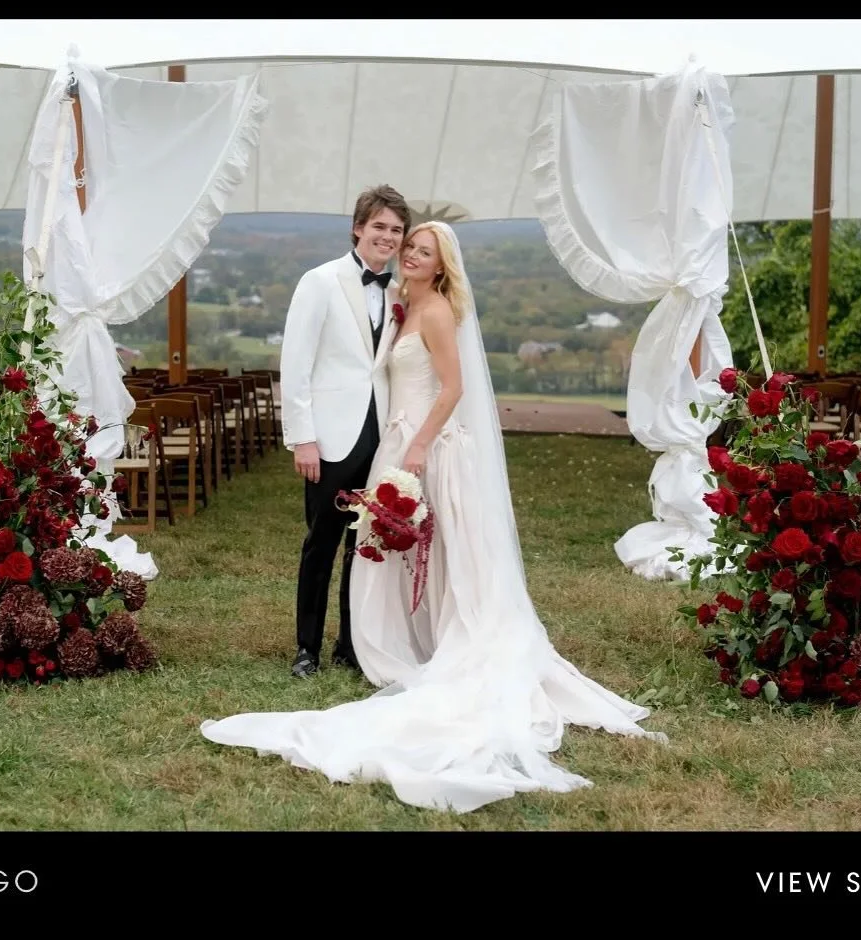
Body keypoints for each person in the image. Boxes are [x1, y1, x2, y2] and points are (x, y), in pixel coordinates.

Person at [201, 221, 665, 812]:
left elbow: (452, 389)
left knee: (439, 551)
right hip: (388, 443)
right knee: (380, 545)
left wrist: (419, 445)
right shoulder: (397, 302)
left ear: (442, 265)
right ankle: (353, 644)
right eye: (408, 245)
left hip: (428, 446)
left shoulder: (439, 312)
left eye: (422, 249)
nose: (411, 254)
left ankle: (424, 642)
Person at [277, 184, 411, 678]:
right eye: (379, 226)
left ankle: (350, 644)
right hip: (330, 437)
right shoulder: (320, 281)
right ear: (358, 228)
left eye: (396, 230)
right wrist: (303, 437)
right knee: (322, 543)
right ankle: (306, 648)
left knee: (367, 544)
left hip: (380, 434)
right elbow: (296, 364)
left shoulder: (401, 291)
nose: (388, 237)